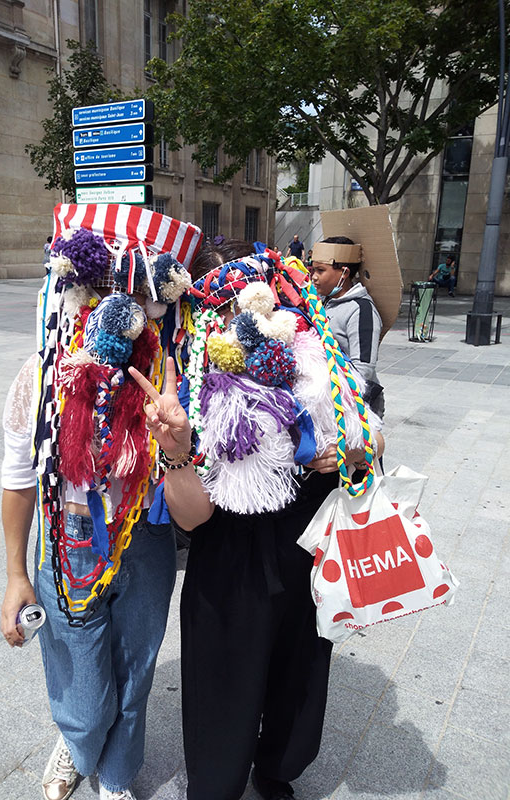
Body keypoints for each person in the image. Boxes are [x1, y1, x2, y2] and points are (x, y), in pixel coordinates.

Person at [131, 241, 384, 800]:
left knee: (298, 673)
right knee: (222, 685)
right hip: (227, 565)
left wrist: (348, 450)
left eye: (249, 300)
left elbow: (375, 435)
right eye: (220, 308)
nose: (238, 322)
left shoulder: (312, 360)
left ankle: (277, 769)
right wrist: (175, 451)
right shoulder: (188, 389)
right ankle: (219, 781)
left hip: (308, 551)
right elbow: (193, 520)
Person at [0, 204, 202, 800]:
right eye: (97, 291)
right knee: (85, 692)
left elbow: (196, 510)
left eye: (135, 297)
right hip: (69, 546)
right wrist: (15, 573)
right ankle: (78, 738)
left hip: (146, 544)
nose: (115, 313)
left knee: (135, 677)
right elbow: (17, 480)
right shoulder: (39, 379)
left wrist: (177, 446)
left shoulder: (175, 385)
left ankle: (115, 776)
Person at [309, 235, 384, 419]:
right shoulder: (324, 301)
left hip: (350, 408)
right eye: (313, 270)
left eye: (320, 270)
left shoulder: (362, 310)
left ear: (344, 273)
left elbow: (363, 369)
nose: (314, 277)